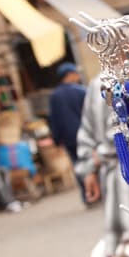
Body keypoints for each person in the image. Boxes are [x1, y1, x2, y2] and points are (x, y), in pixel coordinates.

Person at [76, 76, 129, 257]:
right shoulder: (98, 84)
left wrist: (92, 164)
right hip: (121, 173)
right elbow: (89, 129)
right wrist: (90, 168)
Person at [47, 61, 88, 202]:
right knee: (90, 163)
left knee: (77, 165)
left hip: (69, 138)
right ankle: (98, 192)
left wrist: (57, 140)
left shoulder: (55, 96)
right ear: (69, 75)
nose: (77, 76)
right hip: (85, 135)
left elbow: (54, 120)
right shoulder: (81, 91)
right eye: (76, 73)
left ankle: (86, 194)